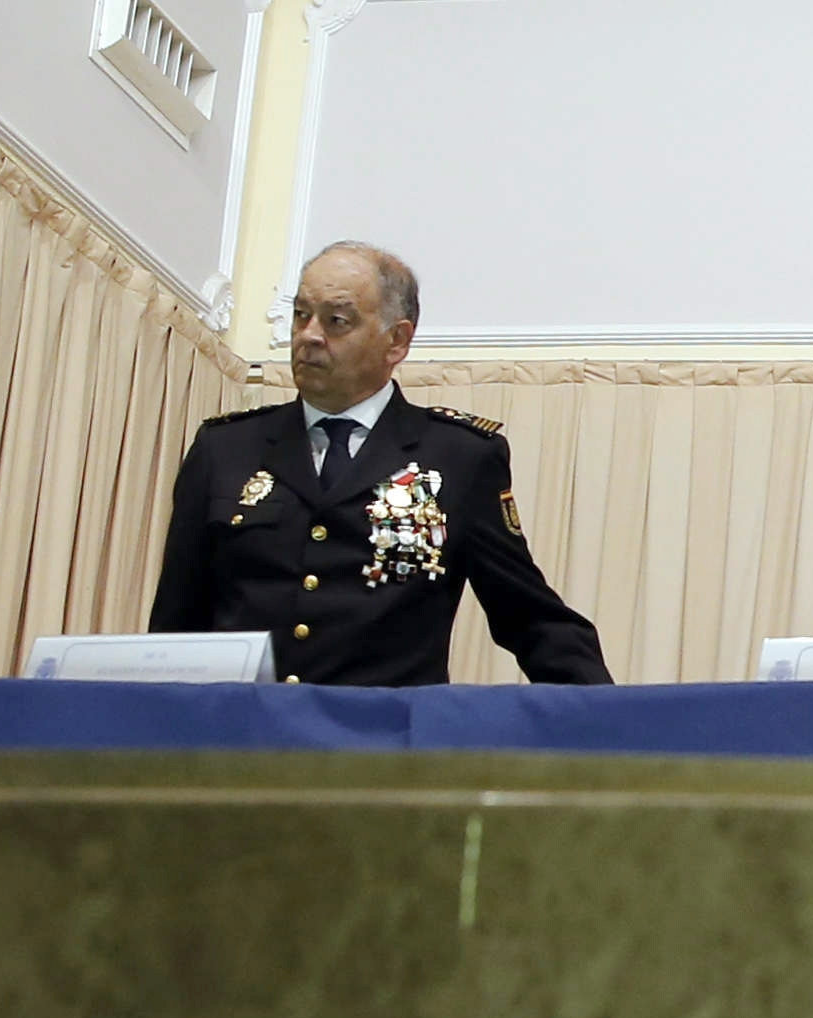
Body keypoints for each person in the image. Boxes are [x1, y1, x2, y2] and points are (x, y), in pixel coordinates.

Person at [150, 242, 607, 686]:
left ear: (397, 341)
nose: (309, 335)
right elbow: (176, 624)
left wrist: (617, 727)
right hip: (241, 743)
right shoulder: (225, 447)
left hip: (380, 747)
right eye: (301, 315)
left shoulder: (459, 457)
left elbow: (529, 616)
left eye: (336, 321)